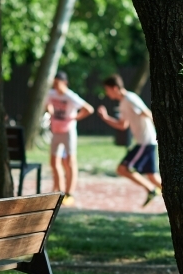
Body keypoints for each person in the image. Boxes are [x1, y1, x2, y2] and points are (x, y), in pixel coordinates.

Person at [96, 74, 162, 206]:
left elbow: (146, 112)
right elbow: (122, 125)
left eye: (107, 90)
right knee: (152, 176)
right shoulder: (123, 103)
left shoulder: (130, 98)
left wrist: (161, 130)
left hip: (145, 141)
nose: (106, 93)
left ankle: (151, 190)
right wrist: (105, 118)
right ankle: (169, 195)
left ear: (114, 88)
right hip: (144, 142)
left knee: (123, 168)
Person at [45, 71, 94, 206]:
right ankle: (59, 191)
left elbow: (89, 109)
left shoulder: (70, 96)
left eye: (57, 83)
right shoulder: (51, 94)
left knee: (70, 161)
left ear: (64, 83)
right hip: (56, 131)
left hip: (68, 132)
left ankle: (69, 193)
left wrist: (74, 118)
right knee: (54, 161)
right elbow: (47, 103)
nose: (55, 86)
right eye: (54, 83)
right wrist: (50, 111)